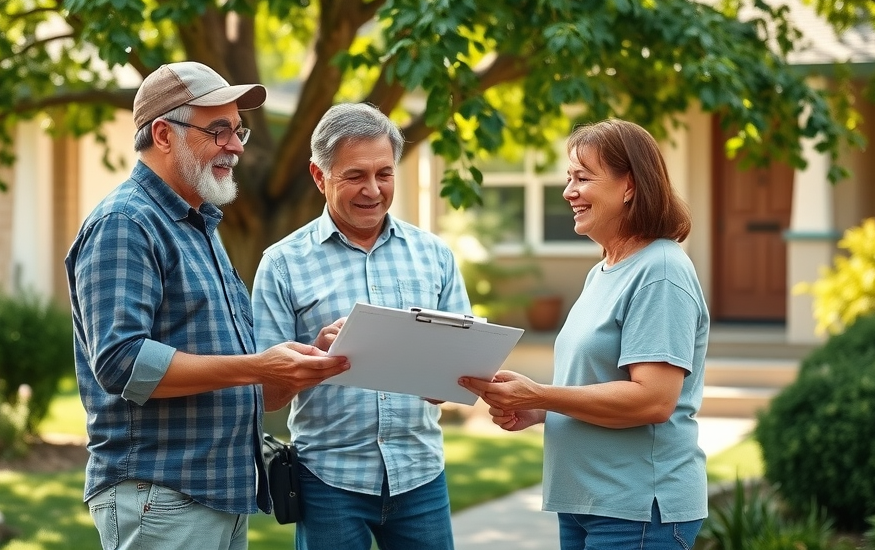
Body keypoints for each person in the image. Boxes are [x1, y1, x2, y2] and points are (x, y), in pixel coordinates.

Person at [65, 61, 350, 550]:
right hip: (162, 495)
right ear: (163, 134)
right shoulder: (125, 223)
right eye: (218, 130)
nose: (237, 146)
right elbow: (122, 363)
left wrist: (298, 365)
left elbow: (237, 382)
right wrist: (256, 364)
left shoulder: (198, 226)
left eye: (238, 130)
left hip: (217, 494)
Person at [460, 118, 710, 550]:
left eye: (582, 177)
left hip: (636, 510)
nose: (568, 191)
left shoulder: (660, 271)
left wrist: (540, 395)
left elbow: (653, 399)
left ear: (628, 185)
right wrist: (539, 412)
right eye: (568, 177)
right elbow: (593, 385)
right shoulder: (603, 272)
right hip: (585, 502)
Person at [251, 102, 472, 550]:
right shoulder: (281, 264)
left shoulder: (435, 255)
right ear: (319, 176)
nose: (372, 190)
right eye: (354, 176)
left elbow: (460, 381)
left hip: (420, 474)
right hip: (328, 481)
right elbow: (266, 396)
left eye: (384, 174)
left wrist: (446, 372)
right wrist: (311, 356)